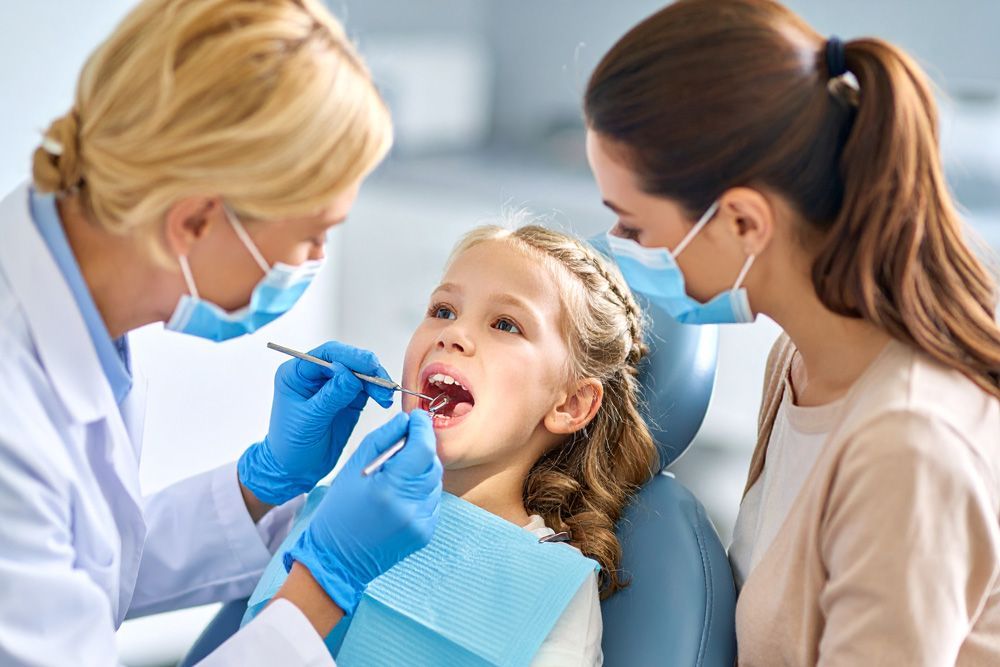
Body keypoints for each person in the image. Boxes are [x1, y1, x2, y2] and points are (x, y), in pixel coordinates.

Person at [0, 1, 442, 664]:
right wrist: (326, 579)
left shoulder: (82, 316)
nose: (315, 261)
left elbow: (81, 564)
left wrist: (261, 482)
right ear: (197, 221)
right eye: (311, 234)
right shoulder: (12, 418)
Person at [584, 0, 1000, 664]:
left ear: (745, 223)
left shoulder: (908, 445)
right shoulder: (799, 363)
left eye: (634, 227)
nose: (618, 249)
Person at [245, 221, 659, 665]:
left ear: (572, 404)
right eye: (443, 311)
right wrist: (270, 480)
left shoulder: (549, 587)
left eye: (506, 324)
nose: (453, 334)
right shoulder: (335, 518)